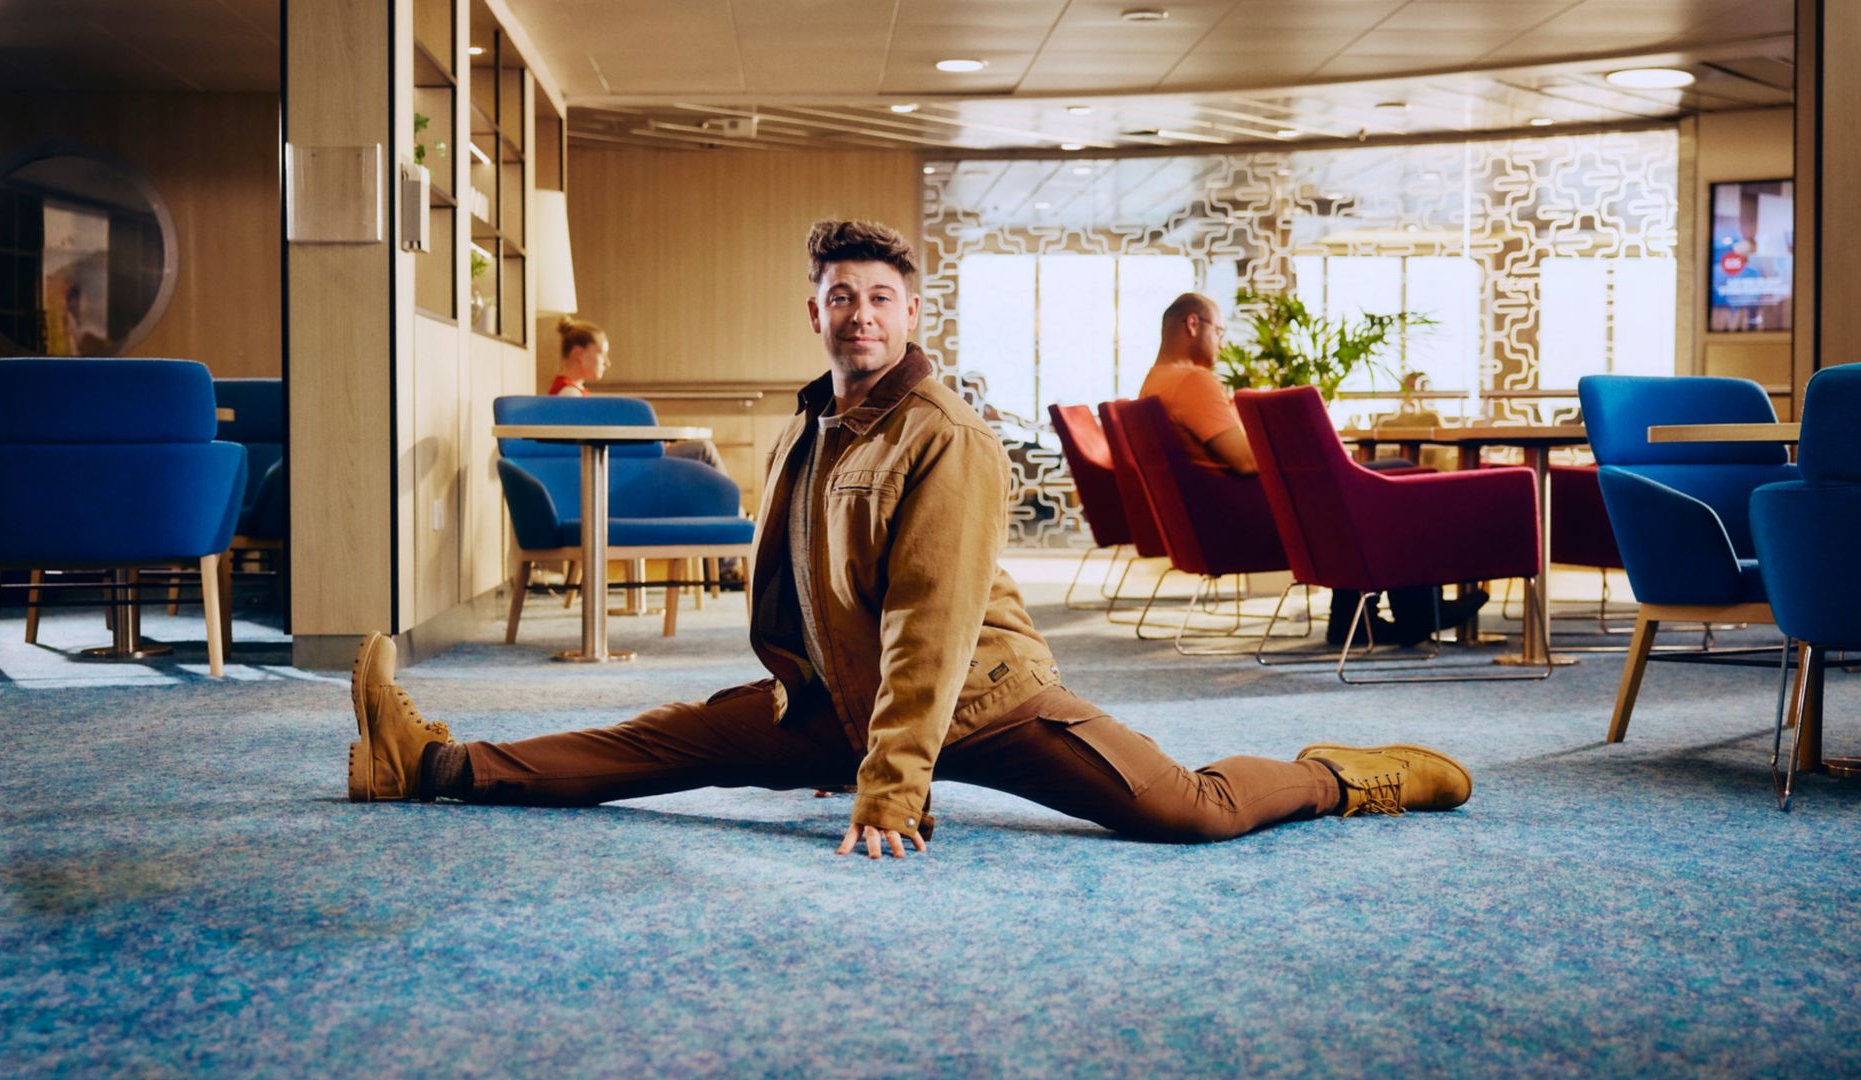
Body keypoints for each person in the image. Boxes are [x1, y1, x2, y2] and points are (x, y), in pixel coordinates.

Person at [346, 220, 1472, 857]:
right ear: (816, 311)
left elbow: (931, 630)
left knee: (1185, 810)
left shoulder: (948, 440)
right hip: (841, 698)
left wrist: (890, 790)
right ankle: (431, 763)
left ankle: (1340, 777)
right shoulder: (807, 426)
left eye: (880, 298)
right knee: (654, 745)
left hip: (981, 699)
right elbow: (792, 585)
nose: (860, 316)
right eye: (841, 296)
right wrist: (794, 709)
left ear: (911, 314)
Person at [1137, 292, 1488, 647]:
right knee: (1399, 476)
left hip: (1219, 514)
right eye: (1221, 331)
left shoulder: (1153, 383)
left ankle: (1356, 617)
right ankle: (1419, 611)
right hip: (1252, 514)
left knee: (1374, 480)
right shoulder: (1193, 381)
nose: (1224, 343)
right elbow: (1245, 460)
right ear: (1193, 324)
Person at [550, 315, 726, 474]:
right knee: (704, 449)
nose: (607, 362)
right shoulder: (569, 396)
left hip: (617, 460)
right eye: (602, 354)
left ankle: (733, 509)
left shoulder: (572, 393)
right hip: (619, 464)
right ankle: (735, 509)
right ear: (579, 354)